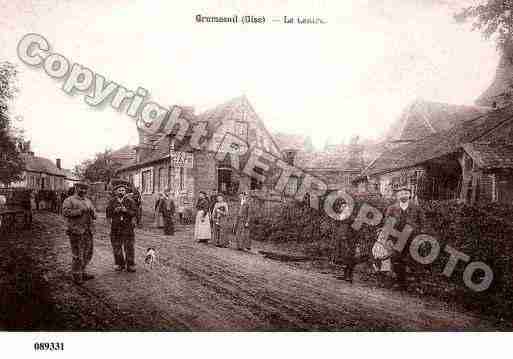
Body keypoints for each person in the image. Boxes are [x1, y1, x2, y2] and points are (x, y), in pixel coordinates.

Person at [384, 187, 425, 290]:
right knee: (397, 259)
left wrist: (421, 237)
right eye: (401, 193)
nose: (404, 195)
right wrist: (388, 238)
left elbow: (423, 224)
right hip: (397, 238)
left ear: (409, 195)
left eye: (406, 193)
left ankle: (415, 285)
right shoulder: (392, 208)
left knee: (415, 260)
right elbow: (388, 224)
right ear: (397, 196)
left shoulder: (417, 208)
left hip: (413, 237)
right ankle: (400, 283)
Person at [62, 182, 96, 284]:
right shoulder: (69, 200)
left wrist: (93, 213)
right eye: (81, 188)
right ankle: (77, 275)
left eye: (85, 189)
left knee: (88, 253)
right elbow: (65, 212)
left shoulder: (88, 200)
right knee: (77, 255)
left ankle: (83, 271)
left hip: (88, 231)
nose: (83, 191)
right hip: (76, 231)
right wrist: (79, 211)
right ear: (76, 188)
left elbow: (95, 214)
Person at [106, 180, 138, 273]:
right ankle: (119, 264)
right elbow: (108, 213)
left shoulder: (130, 201)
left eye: (123, 190)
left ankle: (130, 264)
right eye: (119, 190)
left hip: (127, 227)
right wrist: (114, 211)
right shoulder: (112, 202)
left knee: (129, 246)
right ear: (116, 192)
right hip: (116, 227)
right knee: (117, 245)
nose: (121, 192)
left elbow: (135, 213)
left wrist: (126, 211)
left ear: (126, 192)